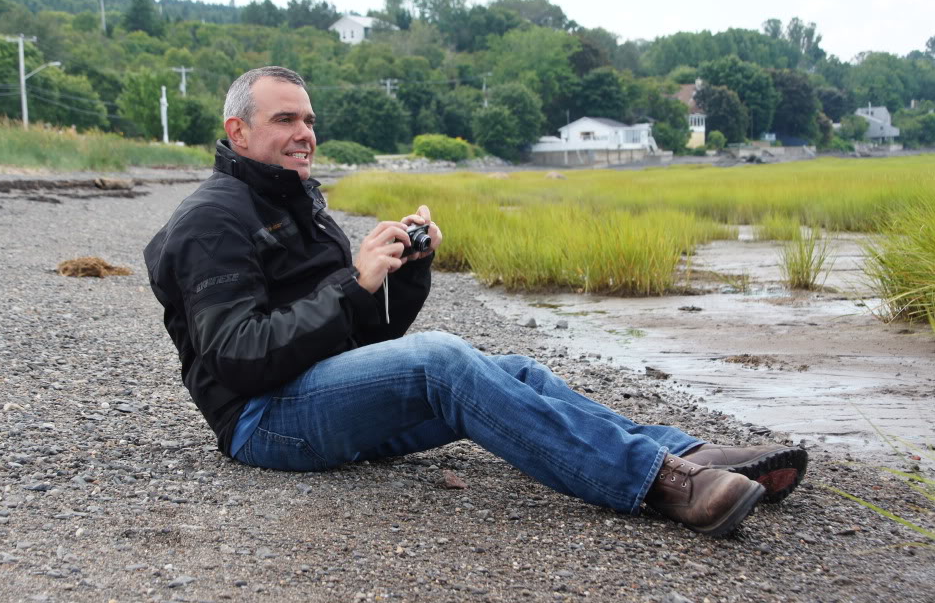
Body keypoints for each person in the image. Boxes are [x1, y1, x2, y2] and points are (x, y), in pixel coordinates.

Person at [144, 66, 807, 537]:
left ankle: (682, 452)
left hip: (317, 398)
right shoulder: (213, 219)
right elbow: (236, 358)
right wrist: (351, 285)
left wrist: (402, 270)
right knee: (443, 361)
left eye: (309, 120)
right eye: (285, 119)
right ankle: (660, 484)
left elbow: (368, 341)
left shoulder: (298, 203)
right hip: (263, 423)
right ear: (238, 131)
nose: (304, 133)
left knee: (513, 370)